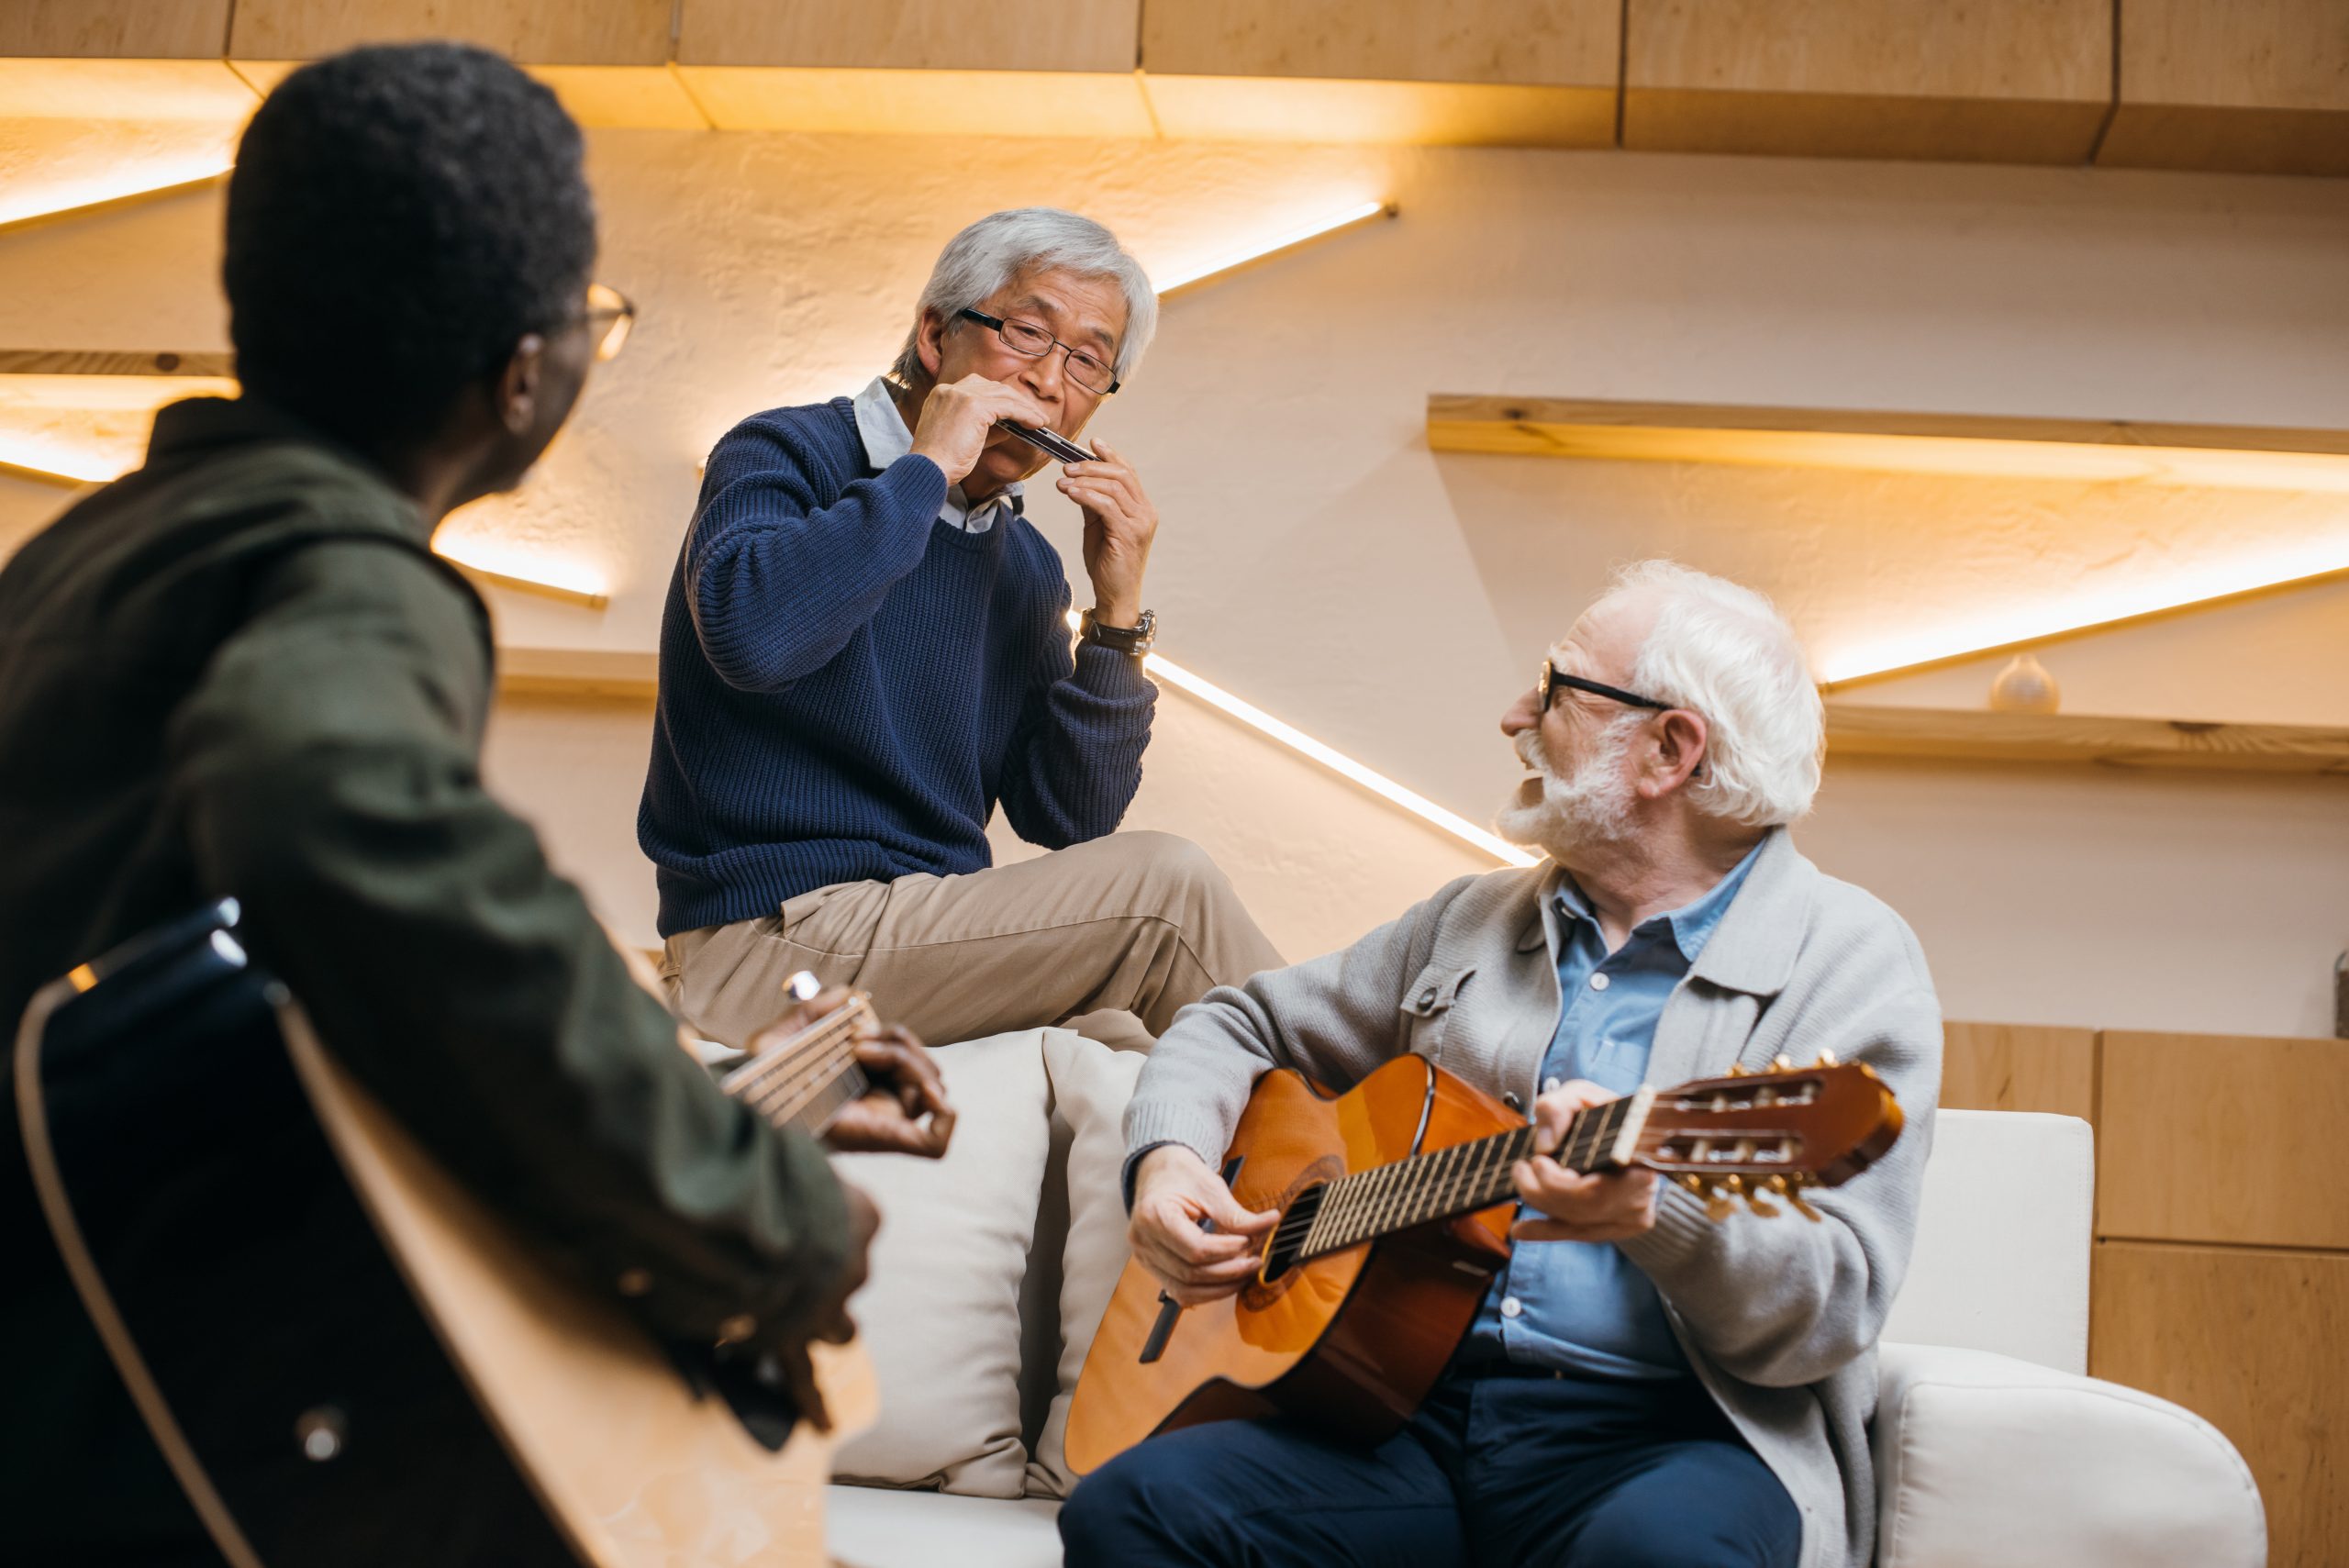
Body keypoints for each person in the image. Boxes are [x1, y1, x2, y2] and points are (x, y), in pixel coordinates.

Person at [0, 45, 946, 1565]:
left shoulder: (80, 561)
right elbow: (324, 792)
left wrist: (718, 1093)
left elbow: (305, 1046)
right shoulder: (346, 575)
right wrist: (764, 1215)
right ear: (523, 376)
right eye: (592, 315)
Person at [1066, 561, 1944, 1568]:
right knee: (1132, 1509)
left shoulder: (1848, 962)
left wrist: (1666, 1214)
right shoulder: (1467, 920)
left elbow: (1829, 1313)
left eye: (1557, 687)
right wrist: (1171, 1157)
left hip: (1668, 1437)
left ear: (1670, 748)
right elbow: (1236, 1022)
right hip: (1398, 1419)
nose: (1513, 714)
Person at [640, 207, 1282, 1054]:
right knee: (1167, 890)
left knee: (1137, 1052)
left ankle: (1331, 1179)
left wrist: (1116, 618)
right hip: (761, 943)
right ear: (937, 336)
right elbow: (756, 639)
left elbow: (1068, 815)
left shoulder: (1021, 567)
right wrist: (926, 468)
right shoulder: (783, 452)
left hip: (910, 932)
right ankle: (1391, 1141)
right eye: (1027, 332)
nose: (1052, 382)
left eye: (1089, 361)